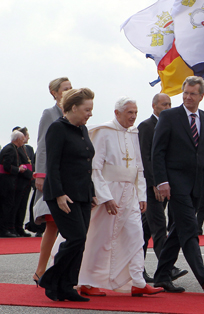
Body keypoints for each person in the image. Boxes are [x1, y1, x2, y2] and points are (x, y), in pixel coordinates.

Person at [75, 97, 163, 298]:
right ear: (117, 113)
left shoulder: (134, 132)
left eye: (135, 112)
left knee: (136, 235)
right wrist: (105, 197)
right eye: (129, 112)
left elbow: (139, 167)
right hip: (108, 193)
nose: (133, 117)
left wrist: (142, 195)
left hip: (129, 194)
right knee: (100, 237)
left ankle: (138, 282)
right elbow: (95, 168)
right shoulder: (104, 132)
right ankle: (87, 281)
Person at [152, 76, 204, 293]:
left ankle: (162, 276)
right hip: (174, 183)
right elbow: (158, 151)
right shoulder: (169, 116)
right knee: (190, 227)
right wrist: (161, 181)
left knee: (178, 230)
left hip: (196, 184)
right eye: (185, 93)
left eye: (193, 93)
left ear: (201, 96)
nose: (188, 97)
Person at [38, 88, 96, 302]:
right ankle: (50, 279)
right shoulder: (57, 129)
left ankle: (66, 286)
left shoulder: (82, 129)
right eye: (86, 109)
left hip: (82, 194)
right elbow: (52, 165)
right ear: (73, 107)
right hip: (62, 194)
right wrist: (60, 194)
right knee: (76, 237)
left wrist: (92, 192)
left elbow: (86, 164)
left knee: (80, 241)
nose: (90, 113)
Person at [138, 93, 187, 283]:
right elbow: (146, 157)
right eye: (163, 104)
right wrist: (154, 183)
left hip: (166, 185)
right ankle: (168, 268)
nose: (167, 107)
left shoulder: (170, 126)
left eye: (170, 104)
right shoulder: (146, 126)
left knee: (144, 231)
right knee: (159, 227)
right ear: (154, 106)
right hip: (152, 187)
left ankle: (136, 269)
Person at [32, 77, 72, 285]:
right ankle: (40, 270)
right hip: (51, 176)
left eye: (71, 88)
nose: (68, 91)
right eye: (65, 89)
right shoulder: (50, 114)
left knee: (67, 225)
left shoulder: (73, 113)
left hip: (69, 175)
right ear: (55, 93)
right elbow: (42, 144)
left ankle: (60, 270)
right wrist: (40, 174)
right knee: (52, 223)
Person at [0, 131, 30, 237]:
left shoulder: (12, 148)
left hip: (9, 182)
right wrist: (18, 169)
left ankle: (6, 229)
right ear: (18, 139)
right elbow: (6, 166)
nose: (23, 141)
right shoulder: (10, 149)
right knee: (6, 205)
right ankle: (3, 230)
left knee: (8, 205)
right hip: (6, 182)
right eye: (22, 139)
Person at [12, 127, 34, 237]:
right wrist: (31, 175)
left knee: (23, 205)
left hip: (28, 181)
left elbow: (32, 163)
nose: (28, 137)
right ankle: (13, 227)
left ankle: (20, 226)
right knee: (16, 205)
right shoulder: (15, 148)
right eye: (26, 135)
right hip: (19, 180)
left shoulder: (29, 149)